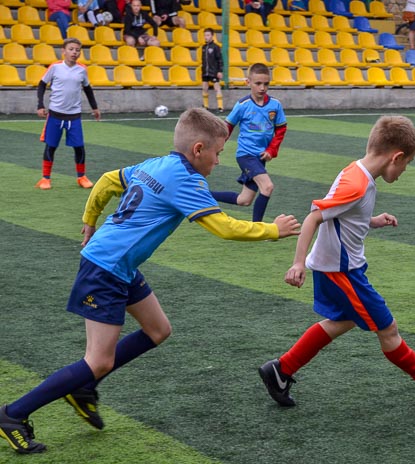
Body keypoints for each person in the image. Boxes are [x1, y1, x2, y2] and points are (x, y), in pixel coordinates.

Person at [0, 108, 301, 455]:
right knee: (98, 359)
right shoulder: (186, 180)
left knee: (158, 330)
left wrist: (89, 220)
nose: (220, 162)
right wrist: (272, 230)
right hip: (106, 268)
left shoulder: (157, 164)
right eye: (218, 154)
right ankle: (13, 413)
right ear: (199, 149)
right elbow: (224, 227)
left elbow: (108, 181)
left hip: (118, 264)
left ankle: (83, 388)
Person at [258, 115, 415, 408]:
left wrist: (371, 221)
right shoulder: (357, 184)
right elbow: (314, 217)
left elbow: (344, 214)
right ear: (396, 156)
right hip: (343, 272)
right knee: (388, 328)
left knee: (342, 321)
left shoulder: (357, 173)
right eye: (407, 163)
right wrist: (297, 263)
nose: (405, 170)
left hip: (336, 267)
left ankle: (281, 370)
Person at [210, 63, 287, 223]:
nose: (262, 88)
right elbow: (227, 127)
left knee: (244, 200)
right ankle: (258, 228)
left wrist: (271, 150)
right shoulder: (242, 105)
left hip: (260, 158)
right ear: (248, 82)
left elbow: (280, 130)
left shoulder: (275, 105)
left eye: (266, 84)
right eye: (258, 83)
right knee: (267, 187)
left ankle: (205, 194)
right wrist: (216, 149)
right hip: (246, 156)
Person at [35, 38, 100, 191]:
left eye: (77, 50)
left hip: (74, 116)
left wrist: (95, 107)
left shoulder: (82, 69)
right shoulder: (55, 67)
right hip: (55, 115)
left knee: (79, 147)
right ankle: (45, 178)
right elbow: (42, 84)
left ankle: (81, 177)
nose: (74, 52)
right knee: (51, 146)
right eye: (71, 49)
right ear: (63, 51)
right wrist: (40, 105)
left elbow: (88, 89)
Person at [201, 28, 224, 113]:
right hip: (205, 71)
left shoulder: (216, 47)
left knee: (217, 88)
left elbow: (220, 60)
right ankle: (206, 106)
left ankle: (220, 107)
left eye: (207, 35)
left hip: (213, 71)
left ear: (212, 36)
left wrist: (220, 71)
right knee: (204, 87)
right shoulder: (204, 47)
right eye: (205, 35)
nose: (206, 37)